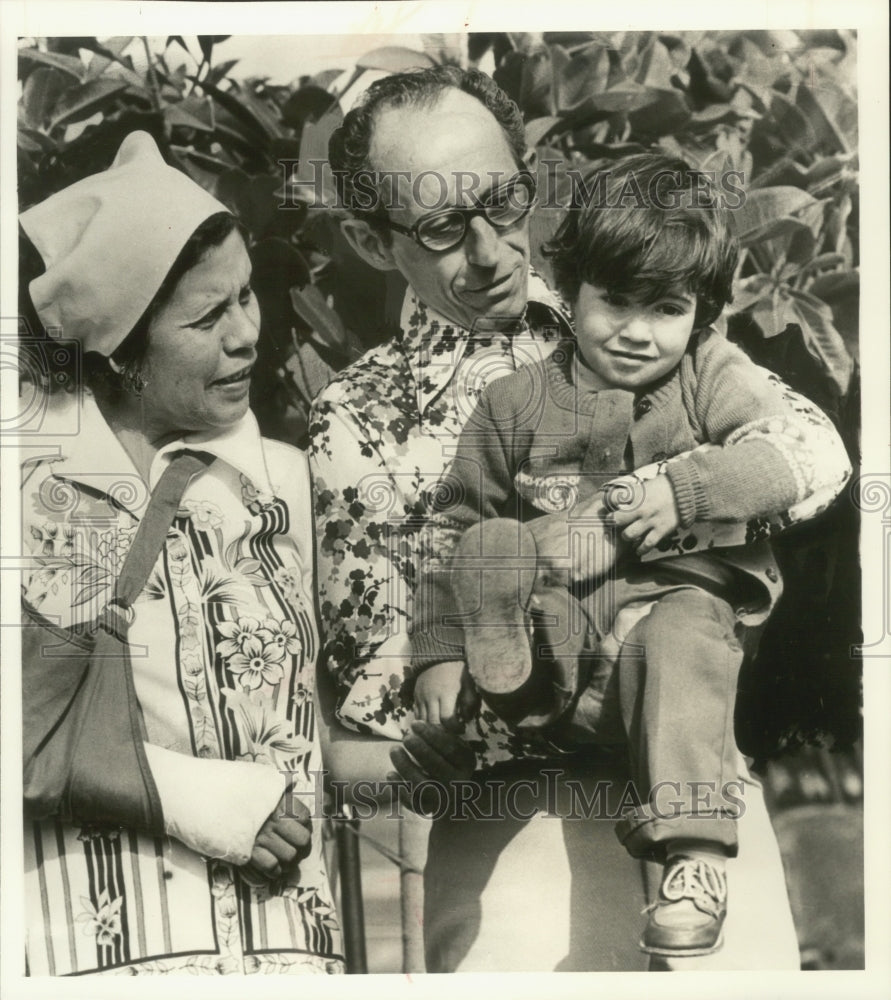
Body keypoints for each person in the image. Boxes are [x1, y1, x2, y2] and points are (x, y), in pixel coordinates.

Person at [309, 65, 809, 972]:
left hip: (691, 784)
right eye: (439, 226)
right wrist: (490, 679)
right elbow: (380, 685)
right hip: (518, 825)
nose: (492, 250)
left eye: (503, 202)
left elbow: (804, 455)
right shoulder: (358, 418)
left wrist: (629, 533)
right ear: (370, 240)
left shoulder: (629, 295)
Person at [407, 153, 852, 958]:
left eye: (666, 308)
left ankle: (691, 856)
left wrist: (684, 489)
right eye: (614, 301)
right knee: (493, 546)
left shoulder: (711, 373)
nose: (637, 330)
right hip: (565, 642)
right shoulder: (513, 403)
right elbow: (452, 528)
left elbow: (781, 455)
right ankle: (509, 671)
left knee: (680, 635)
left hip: (676, 619)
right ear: (569, 289)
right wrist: (437, 654)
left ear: (702, 314)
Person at [18, 131, 342, 976]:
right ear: (120, 353)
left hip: (289, 957)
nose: (248, 337)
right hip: (96, 956)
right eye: (207, 317)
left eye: (246, 296)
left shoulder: (287, 483)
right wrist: (188, 797)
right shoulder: (30, 490)